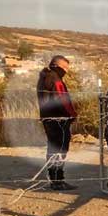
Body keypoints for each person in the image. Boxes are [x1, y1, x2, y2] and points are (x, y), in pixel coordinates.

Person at [36, 55, 77, 190]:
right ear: (58, 66)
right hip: (59, 119)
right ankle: (58, 180)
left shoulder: (43, 78)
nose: (66, 71)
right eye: (65, 68)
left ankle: (54, 179)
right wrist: (72, 115)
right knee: (60, 149)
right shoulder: (55, 79)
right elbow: (62, 100)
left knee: (53, 148)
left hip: (48, 118)